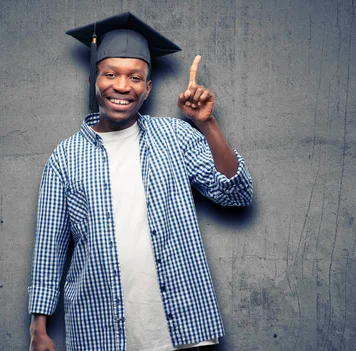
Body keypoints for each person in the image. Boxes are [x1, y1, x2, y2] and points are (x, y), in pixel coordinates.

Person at [28, 12, 254, 351]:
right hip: (100, 328)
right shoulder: (66, 158)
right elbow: (49, 245)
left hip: (184, 325)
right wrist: (39, 329)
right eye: (110, 74)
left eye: (135, 77)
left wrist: (208, 125)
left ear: (147, 88)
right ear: (94, 80)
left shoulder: (175, 136)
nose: (122, 86)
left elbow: (237, 193)